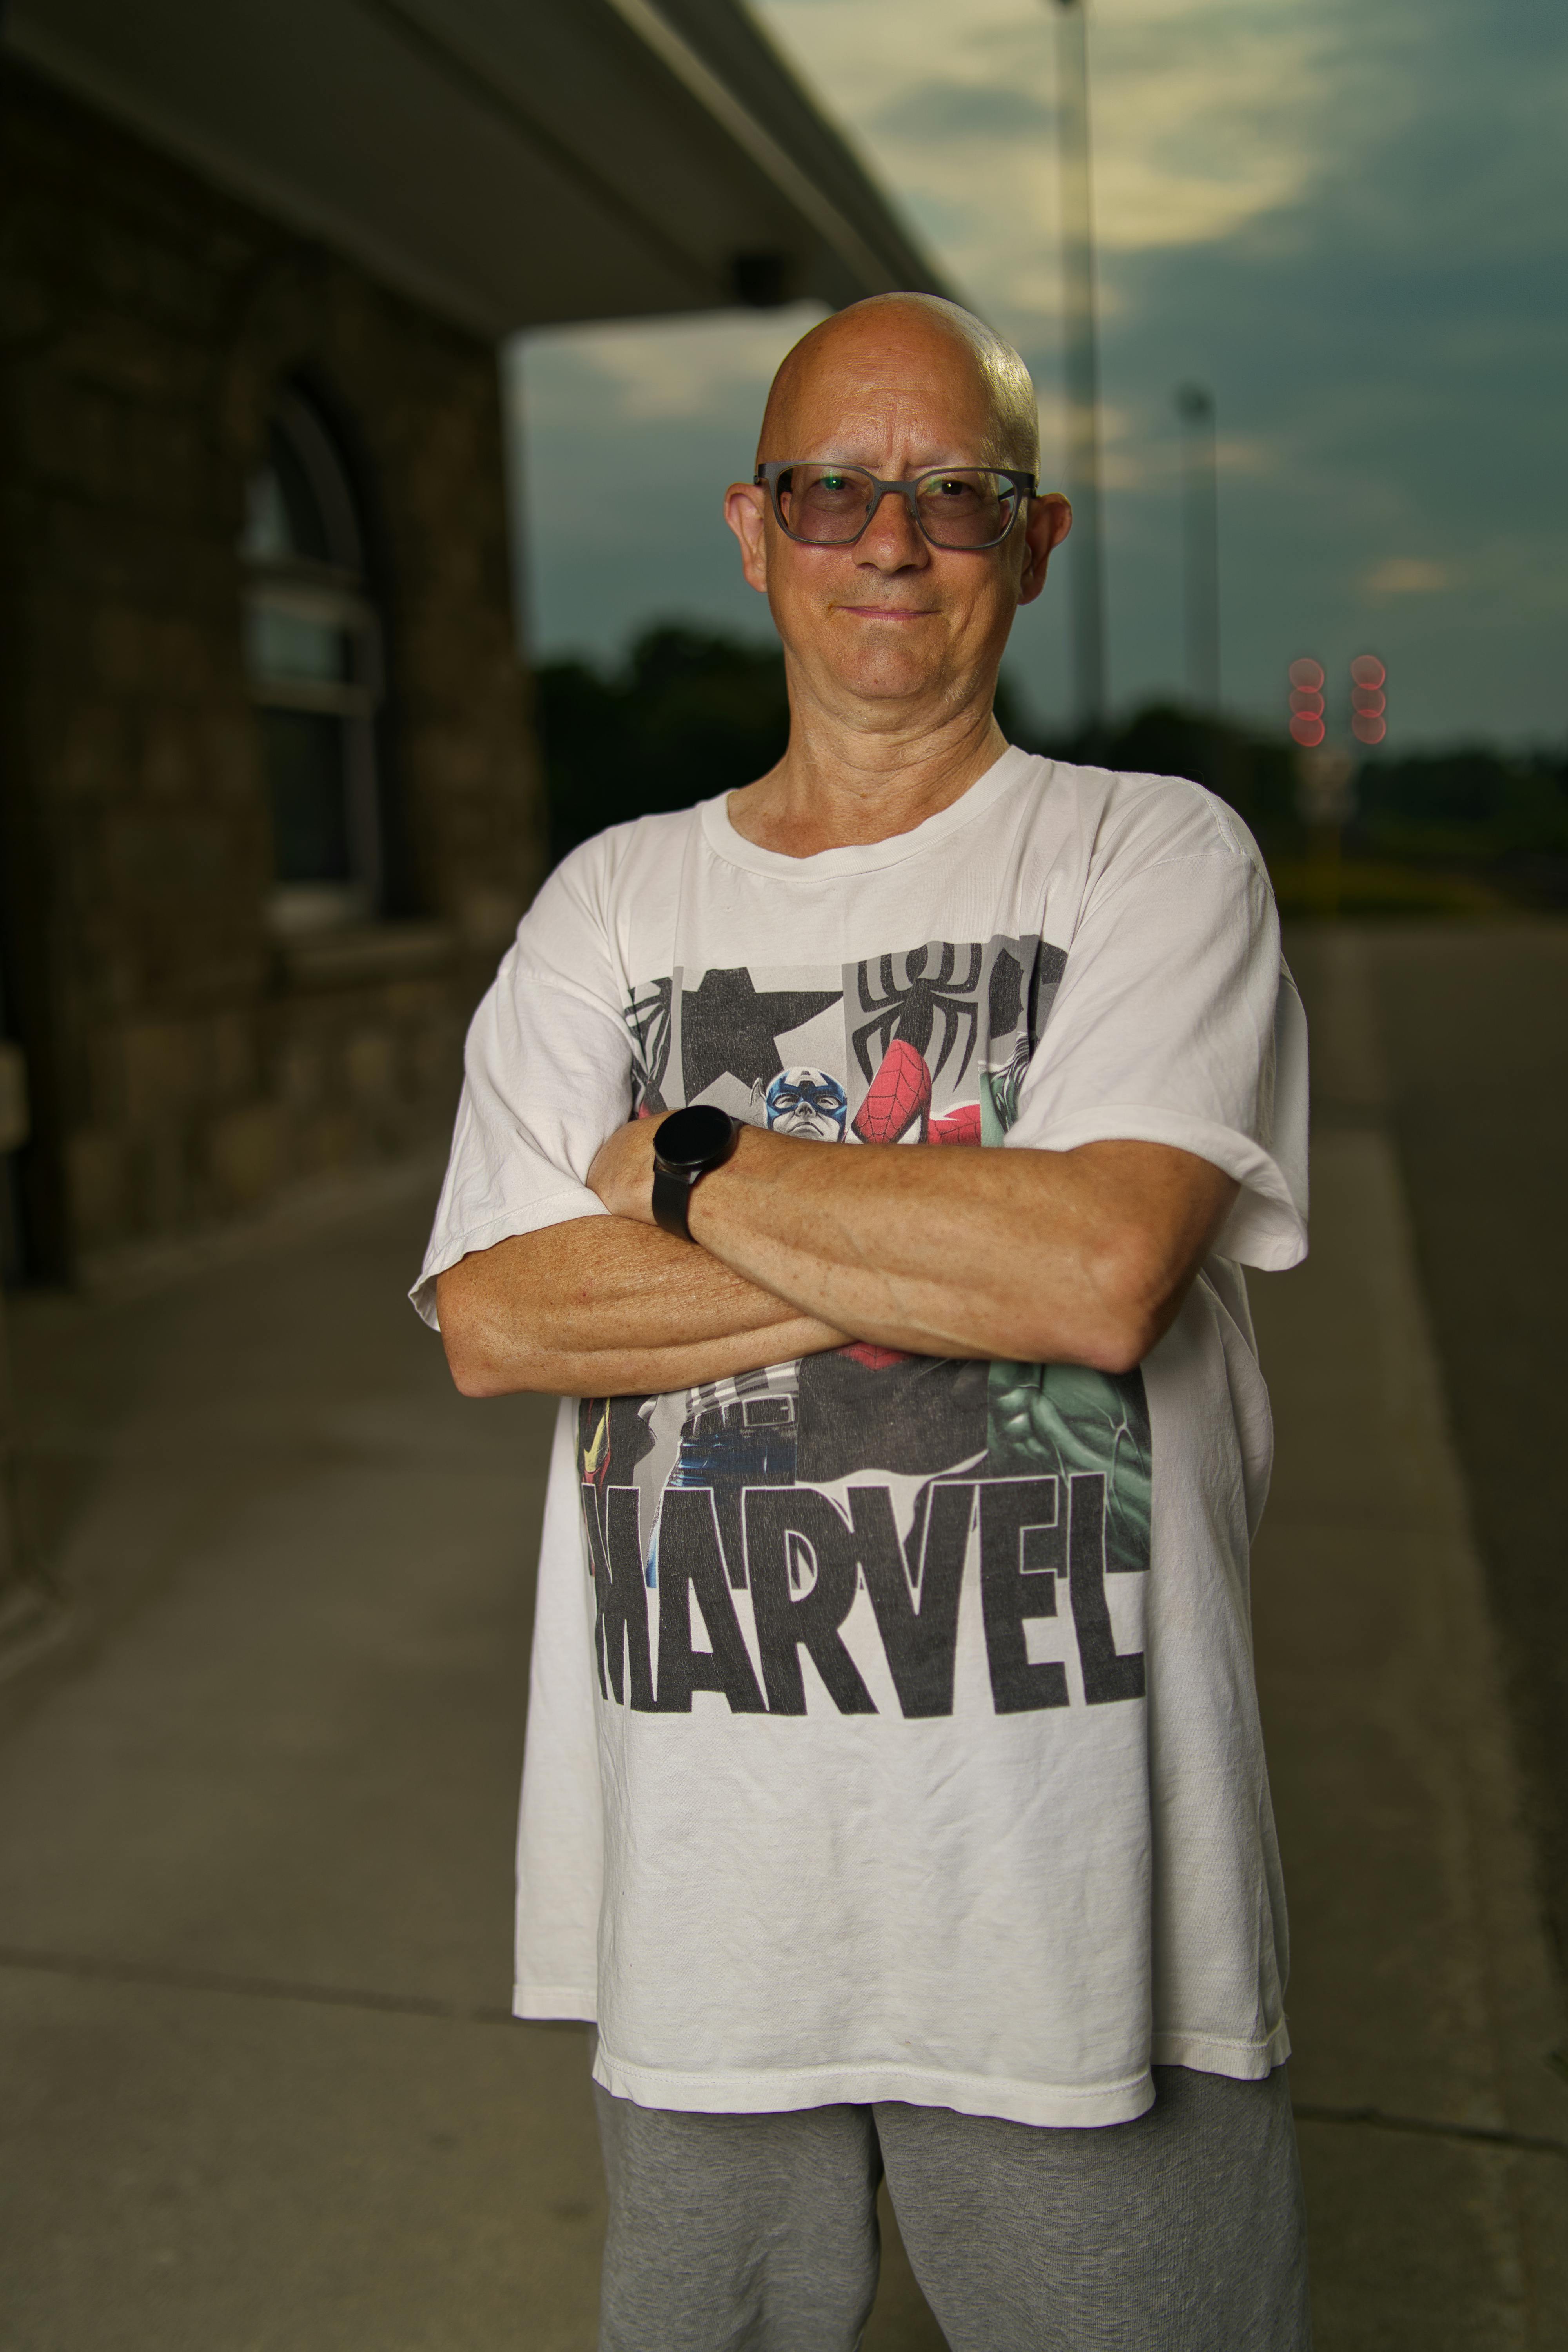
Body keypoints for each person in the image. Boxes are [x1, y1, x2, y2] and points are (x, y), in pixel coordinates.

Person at [414, 293, 1312, 2351]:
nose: (889, 541)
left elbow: (1097, 1274)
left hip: (1083, 1924)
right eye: (835, 491)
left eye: (953, 496)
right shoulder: (614, 906)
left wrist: (687, 1165)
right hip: (712, 1927)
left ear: (1039, 537)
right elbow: (496, 1323)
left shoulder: (1151, 859)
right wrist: (942, 1226)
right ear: (755, 526)